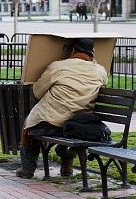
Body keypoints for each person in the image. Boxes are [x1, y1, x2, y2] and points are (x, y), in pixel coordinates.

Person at [16, 38, 108, 179]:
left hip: (50, 124)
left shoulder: (58, 66)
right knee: (62, 140)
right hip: (78, 125)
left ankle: (27, 169)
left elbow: (37, 92)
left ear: (73, 50)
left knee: (31, 126)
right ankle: (67, 168)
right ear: (92, 53)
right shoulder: (99, 70)